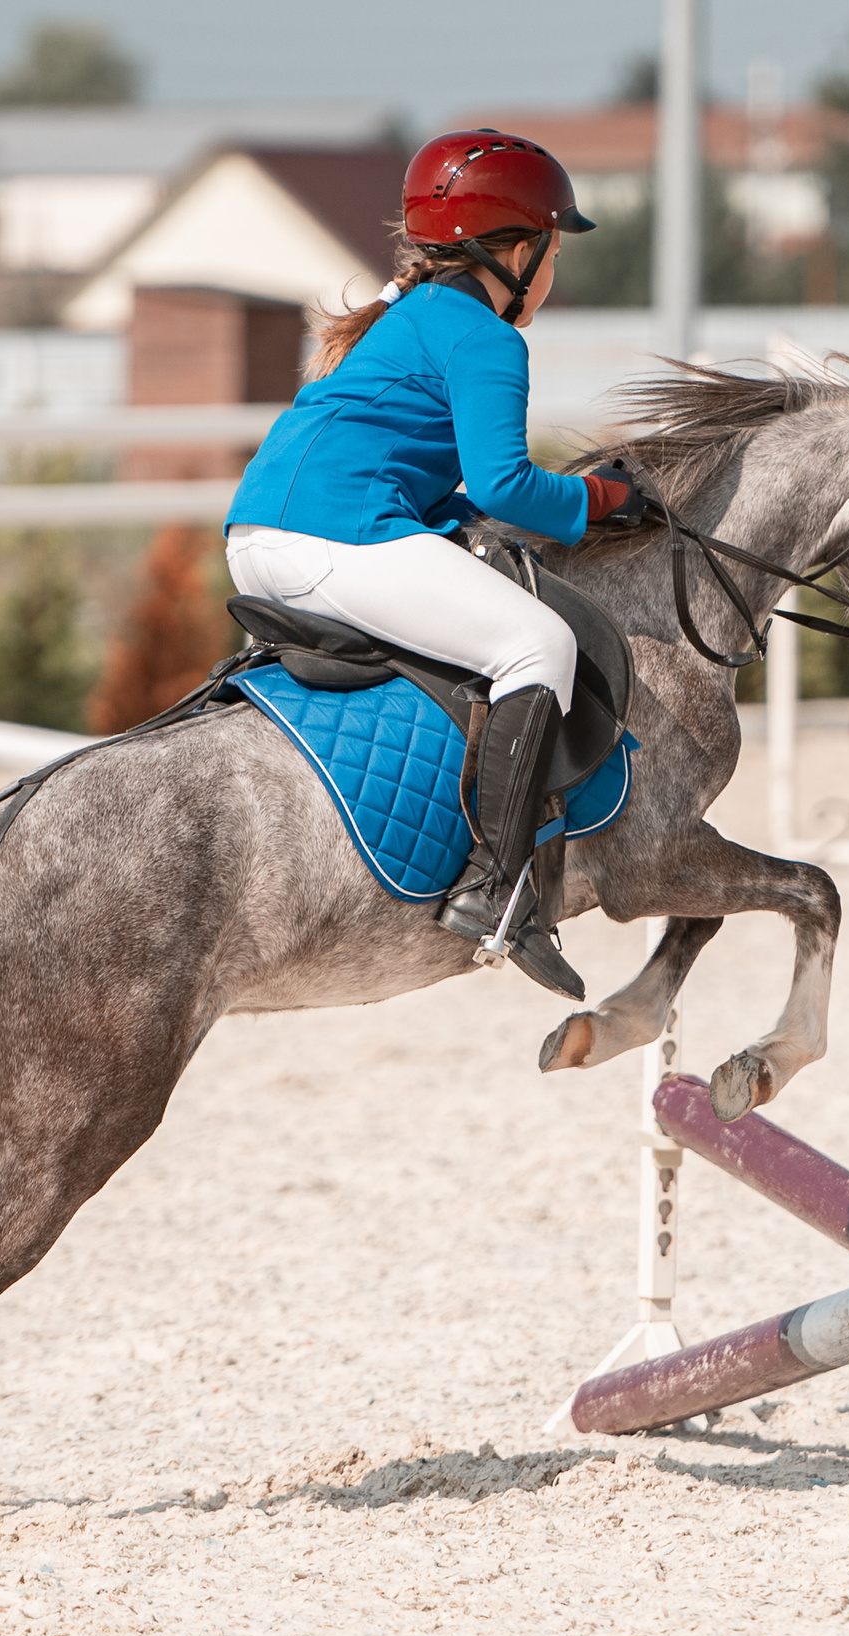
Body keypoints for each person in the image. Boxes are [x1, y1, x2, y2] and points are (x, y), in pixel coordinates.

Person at [225, 130, 644, 1001]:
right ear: (520, 253)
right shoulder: (487, 339)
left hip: (258, 537)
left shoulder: (409, 316)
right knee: (539, 646)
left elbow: (430, 479)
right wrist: (605, 498)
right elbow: (506, 484)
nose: (554, 271)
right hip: (333, 539)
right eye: (555, 251)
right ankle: (498, 890)